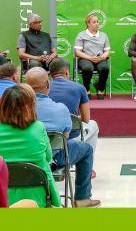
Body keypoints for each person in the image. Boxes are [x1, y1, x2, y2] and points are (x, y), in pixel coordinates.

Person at [26, 67, 100, 207]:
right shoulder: (60, 109)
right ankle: (82, 200)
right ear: (48, 85)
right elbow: (65, 137)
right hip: (55, 158)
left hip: (18, 158)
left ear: (26, 86)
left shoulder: (14, 111)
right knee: (86, 149)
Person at [0, 84, 61, 207]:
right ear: (30, 106)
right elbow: (48, 158)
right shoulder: (38, 127)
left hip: (3, 194)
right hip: (38, 195)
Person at [48, 58, 99, 177]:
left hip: (45, 139)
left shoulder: (42, 88)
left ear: (50, 74)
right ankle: (87, 168)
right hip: (70, 137)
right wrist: (73, 118)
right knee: (93, 124)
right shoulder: (79, 87)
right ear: (66, 72)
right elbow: (86, 118)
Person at [74, 13, 110, 99]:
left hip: (99, 59)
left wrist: (102, 57)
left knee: (105, 68)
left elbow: (107, 51)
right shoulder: (81, 35)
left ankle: (100, 89)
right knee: (87, 68)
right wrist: (90, 57)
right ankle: (86, 89)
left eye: (97, 22)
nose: (97, 23)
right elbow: (77, 52)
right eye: (94, 22)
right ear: (88, 24)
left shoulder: (103, 35)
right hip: (85, 58)